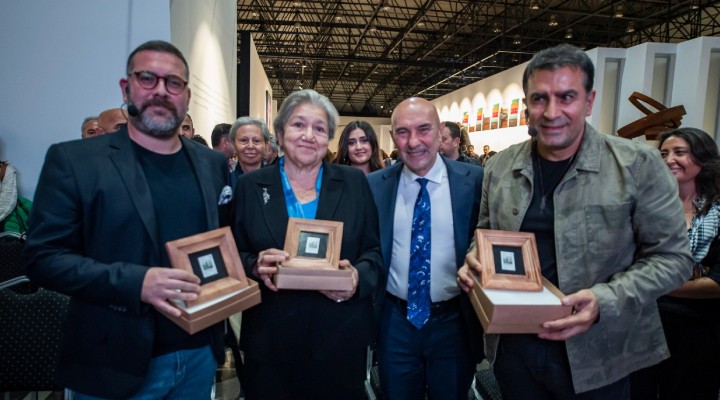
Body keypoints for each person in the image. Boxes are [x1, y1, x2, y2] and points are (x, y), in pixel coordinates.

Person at [456, 43, 693, 399]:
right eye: (539, 99)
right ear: (526, 104)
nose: (552, 112)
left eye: (566, 97)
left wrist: (604, 299)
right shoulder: (501, 166)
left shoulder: (637, 165)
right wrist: (475, 260)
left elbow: (674, 260)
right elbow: (486, 233)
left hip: (600, 351)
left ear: (589, 101)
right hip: (514, 348)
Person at [22, 40, 231, 400]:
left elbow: (220, 244)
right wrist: (136, 283)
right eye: (148, 78)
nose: (161, 91)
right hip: (112, 361)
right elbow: (43, 258)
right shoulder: (75, 161)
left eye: (174, 83)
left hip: (198, 354)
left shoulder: (210, 164)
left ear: (187, 94)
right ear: (127, 86)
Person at [232, 89, 382, 400]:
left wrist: (356, 278)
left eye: (319, 128)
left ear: (328, 137)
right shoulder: (249, 187)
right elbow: (234, 253)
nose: (308, 136)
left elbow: (374, 254)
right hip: (270, 339)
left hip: (340, 337)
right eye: (299, 125)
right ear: (280, 132)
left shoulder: (353, 184)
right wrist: (254, 265)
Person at [367, 97, 484, 399]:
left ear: (441, 131)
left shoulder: (474, 181)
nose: (414, 141)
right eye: (403, 132)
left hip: (454, 322)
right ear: (393, 137)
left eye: (423, 129)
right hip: (395, 324)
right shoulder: (375, 185)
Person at [631, 127, 720, 400]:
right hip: (640, 326)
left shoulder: (717, 213)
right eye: (664, 154)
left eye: (680, 152)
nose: (670, 159)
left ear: (703, 158)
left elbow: (716, 284)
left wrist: (649, 281)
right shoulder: (646, 207)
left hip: (696, 330)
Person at [229, 116, 269, 182]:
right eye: (244, 140)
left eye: (256, 141)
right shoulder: (226, 183)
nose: (250, 146)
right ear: (234, 144)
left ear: (266, 145)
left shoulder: (278, 182)